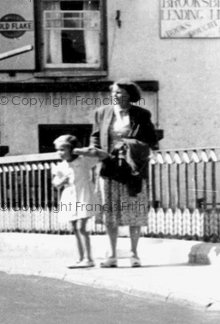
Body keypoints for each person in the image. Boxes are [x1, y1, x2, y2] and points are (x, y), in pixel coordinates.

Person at [91, 79, 158, 268]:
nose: (115, 95)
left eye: (120, 93)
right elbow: (95, 137)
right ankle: (112, 255)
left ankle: (134, 254)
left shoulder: (142, 114)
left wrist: (129, 144)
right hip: (109, 167)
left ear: (130, 96)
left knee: (134, 210)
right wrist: (97, 153)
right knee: (109, 212)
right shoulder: (102, 113)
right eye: (113, 92)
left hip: (132, 168)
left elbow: (152, 140)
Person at [51, 135, 108, 269]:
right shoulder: (61, 166)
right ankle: (81, 257)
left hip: (84, 195)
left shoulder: (84, 161)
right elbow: (55, 183)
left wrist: (81, 151)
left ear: (72, 149)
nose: (60, 153)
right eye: (58, 150)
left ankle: (88, 258)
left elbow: (103, 156)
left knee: (81, 227)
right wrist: (60, 182)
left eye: (63, 149)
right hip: (69, 197)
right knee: (74, 228)